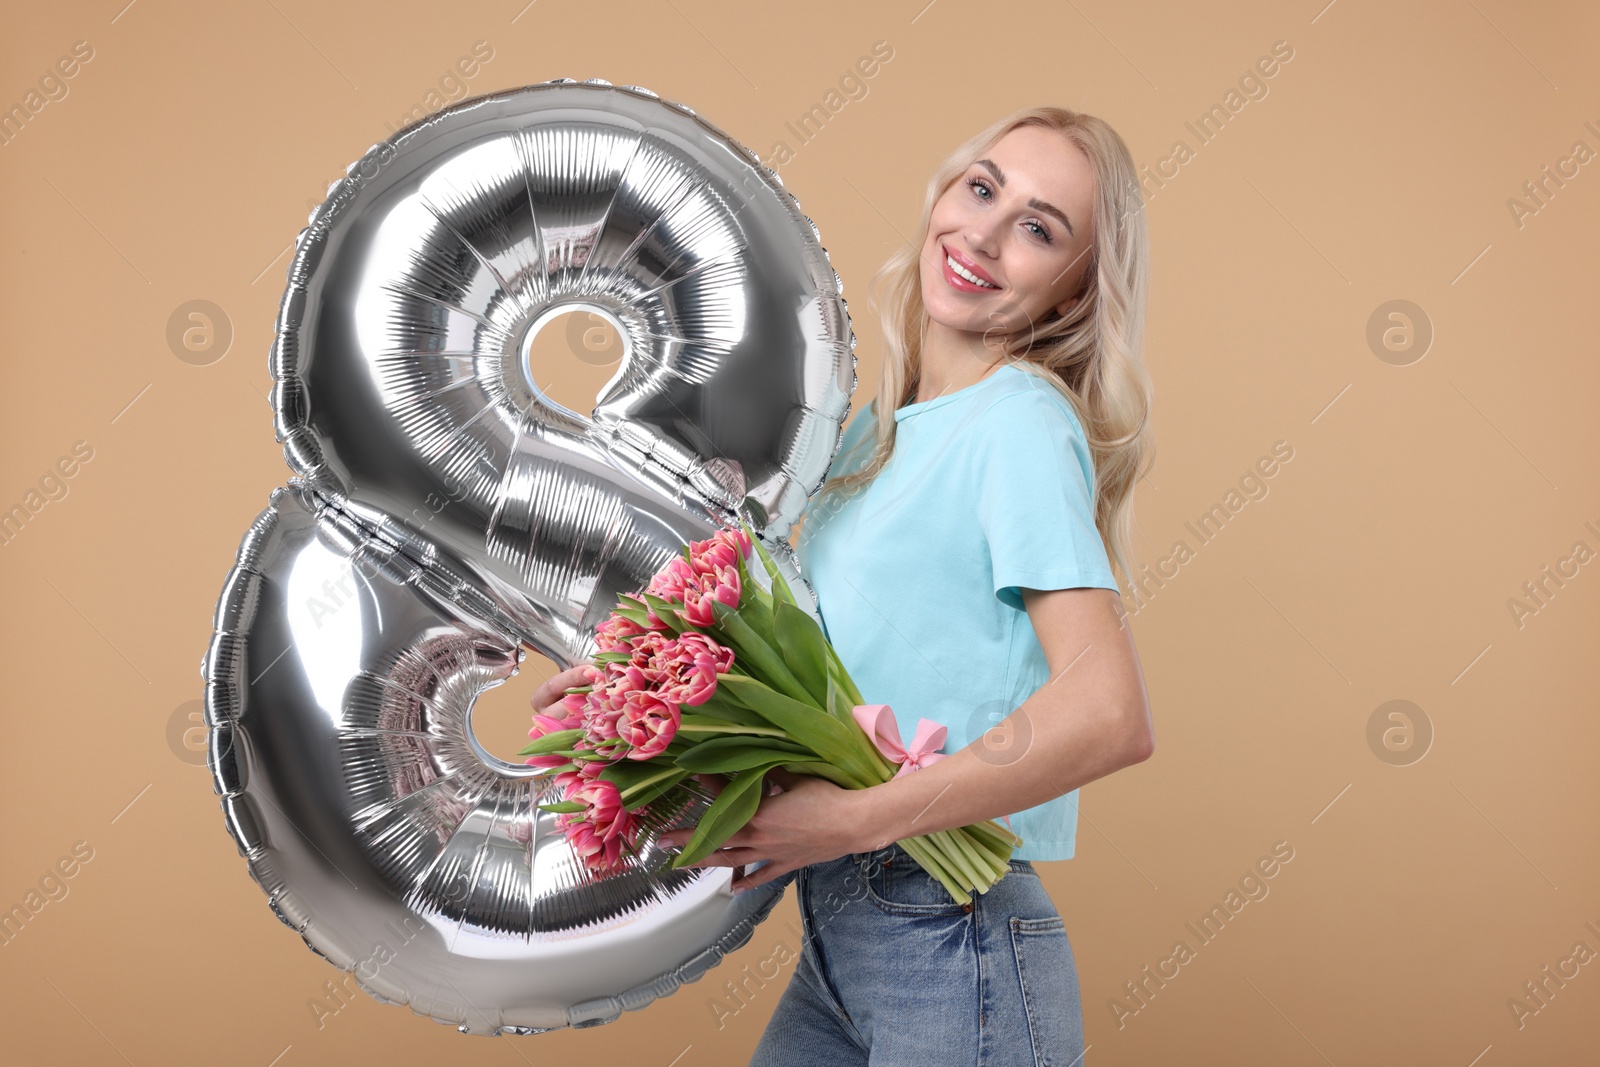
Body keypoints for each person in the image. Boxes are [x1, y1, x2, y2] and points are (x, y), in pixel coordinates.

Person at [534, 105, 1156, 1065]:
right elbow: (809, 686)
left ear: (1073, 293)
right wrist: (630, 701)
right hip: (850, 939)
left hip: (955, 938)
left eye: (1039, 228)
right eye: (981, 188)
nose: (984, 234)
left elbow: (1111, 711)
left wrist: (860, 816)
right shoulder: (875, 437)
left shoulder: (1019, 424)